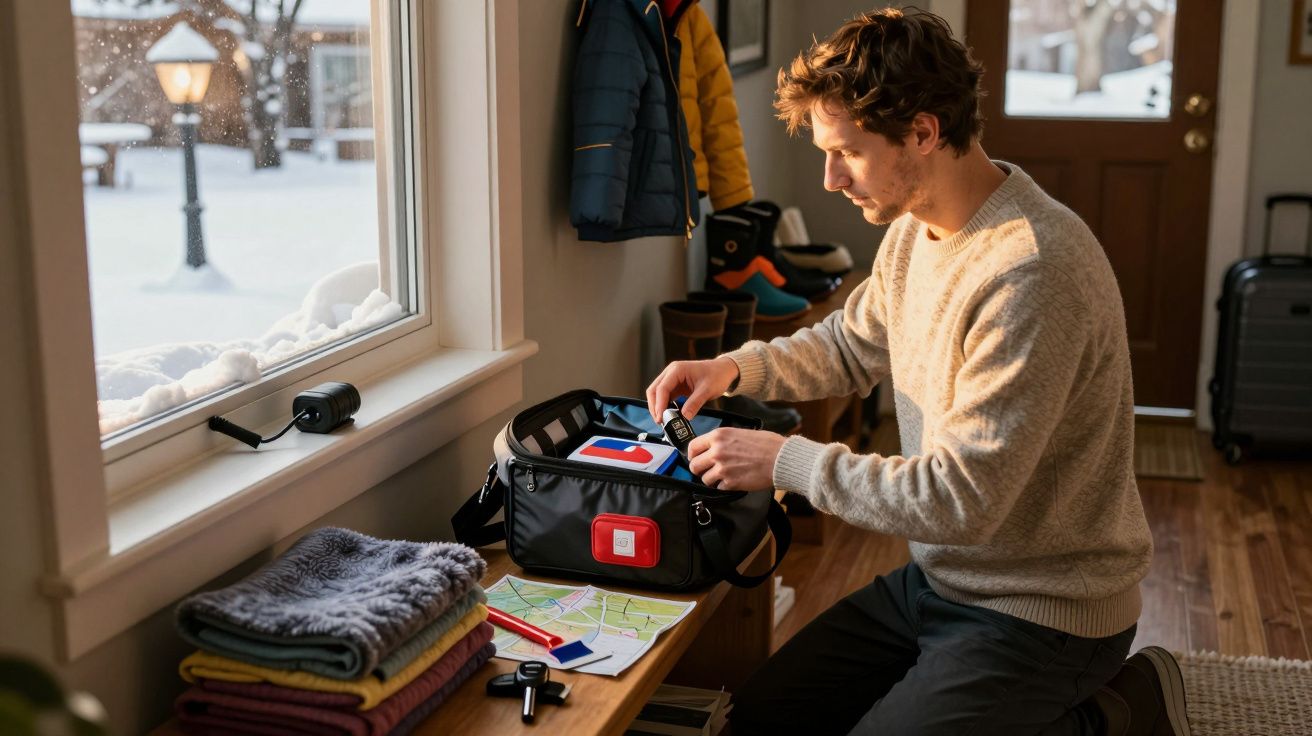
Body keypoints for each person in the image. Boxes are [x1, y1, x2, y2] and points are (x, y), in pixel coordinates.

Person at [646, 8, 1189, 736]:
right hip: (943, 581)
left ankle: (1124, 709)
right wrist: (733, 368)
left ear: (924, 133)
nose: (831, 179)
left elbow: (961, 500)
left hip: (1046, 611)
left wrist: (785, 461)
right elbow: (851, 345)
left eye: (848, 153)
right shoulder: (916, 230)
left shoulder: (1031, 271)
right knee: (757, 722)